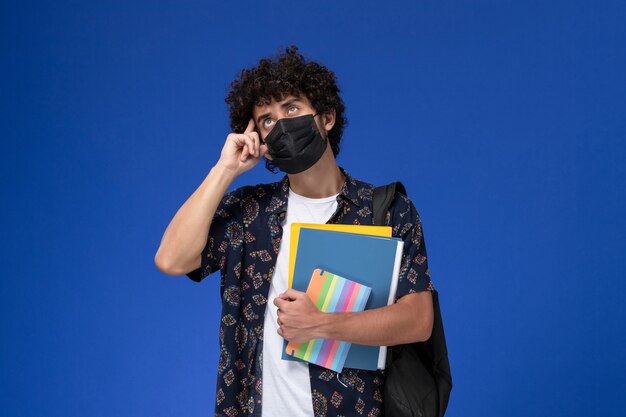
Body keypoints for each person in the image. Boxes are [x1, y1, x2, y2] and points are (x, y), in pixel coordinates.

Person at [154, 45, 435, 417]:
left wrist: (321, 324)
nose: (282, 123)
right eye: (267, 119)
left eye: (292, 108)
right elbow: (171, 259)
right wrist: (225, 169)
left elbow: (418, 320)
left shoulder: (385, 209)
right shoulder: (247, 212)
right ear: (262, 142)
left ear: (327, 117)